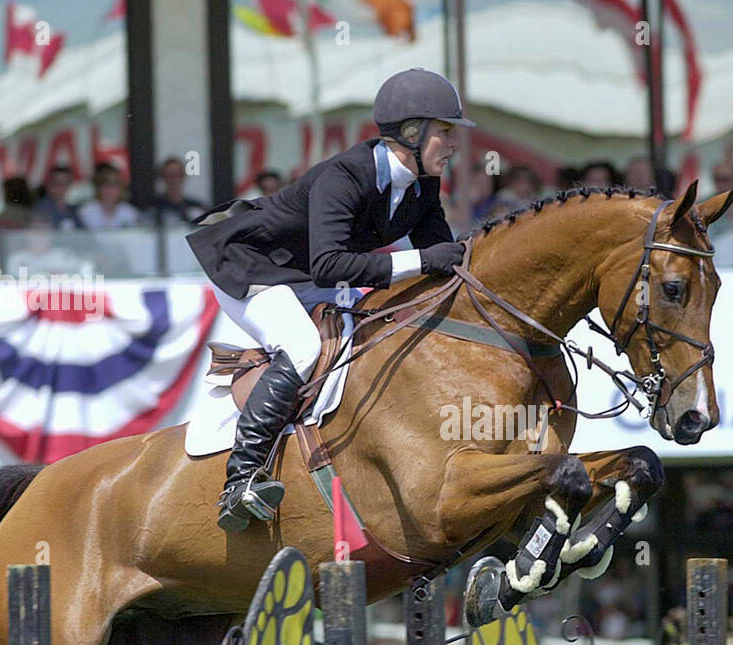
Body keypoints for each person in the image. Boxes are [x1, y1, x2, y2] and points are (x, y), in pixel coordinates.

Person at [187, 68, 472, 531]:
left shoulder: (423, 184)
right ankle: (240, 482)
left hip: (310, 273)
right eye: (446, 132)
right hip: (252, 267)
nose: (455, 144)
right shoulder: (346, 175)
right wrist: (422, 261)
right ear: (412, 133)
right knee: (302, 347)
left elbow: (444, 258)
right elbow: (331, 266)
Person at [78, 166, 142, 229]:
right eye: (106, 186)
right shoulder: (86, 211)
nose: (110, 191)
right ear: (98, 188)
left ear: (121, 189)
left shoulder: (129, 212)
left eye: (114, 186)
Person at [151, 157, 207, 226]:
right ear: (162, 177)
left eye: (177, 175)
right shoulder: (154, 207)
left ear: (184, 177)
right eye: (169, 175)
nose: (173, 180)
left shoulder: (196, 207)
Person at [34, 165, 83, 230]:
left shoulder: (77, 208)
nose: (62, 187)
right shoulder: (40, 209)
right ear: (49, 185)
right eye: (57, 183)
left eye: (66, 183)